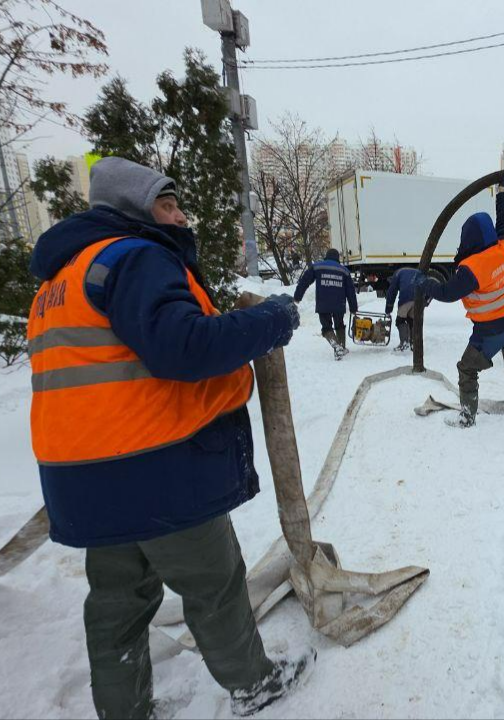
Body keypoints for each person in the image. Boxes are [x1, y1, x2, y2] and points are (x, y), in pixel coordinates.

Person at [26, 157, 310, 719]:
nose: (181, 216)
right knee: (214, 585)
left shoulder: (61, 283)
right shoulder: (136, 258)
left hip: (83, 479)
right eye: (168, 203)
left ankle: (124, 709)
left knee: (117, 601)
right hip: (156, 466)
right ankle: (254, 683)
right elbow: (182, 346)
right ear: (134, 209)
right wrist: (270, 322)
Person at [418, 174, 504, 427]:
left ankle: (467, 417)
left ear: (469, 239)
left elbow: (448, 293)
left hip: (489, 332)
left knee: (467, 369)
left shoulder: (472, 268)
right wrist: (503, 192)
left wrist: (426, 284)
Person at [294, 248, 358, 360]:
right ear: (337, 258)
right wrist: (353, 307)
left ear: (326, 256)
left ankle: (336, 346)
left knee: (326, 327)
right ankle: (341, 347)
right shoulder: (344, 270)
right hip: (339, 303)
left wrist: (297, 297)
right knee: (339, 324)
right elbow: (350, 291)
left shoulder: (317, 266)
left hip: (323, 303)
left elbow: (304, 281)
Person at [385, 267, 421, 352]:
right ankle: (414, 344)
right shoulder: (417, 272)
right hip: (419, 298)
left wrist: (388, 309)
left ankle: (404, 343)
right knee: (413, 321)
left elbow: (392, 292)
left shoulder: (397, 274)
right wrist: (425, 301)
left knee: (400, 321)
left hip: (406, 298)